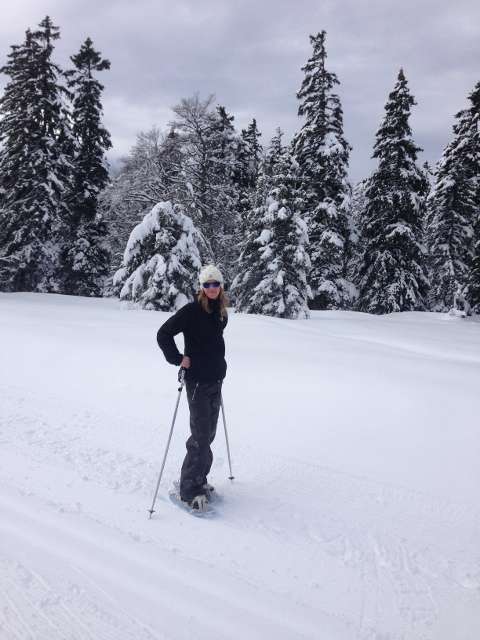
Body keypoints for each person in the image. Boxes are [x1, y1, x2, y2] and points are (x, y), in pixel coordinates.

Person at [156, 265, 228, 511]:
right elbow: (163, 334)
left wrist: (220, 365)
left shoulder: (221, 313)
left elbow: (213, 342)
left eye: (215, 284)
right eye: (207, 285)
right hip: (196, 381)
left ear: (220, 286)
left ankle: (200, 480)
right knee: (200, 436)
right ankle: (188, 489)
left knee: (208, 434)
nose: (211, 288)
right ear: (201, 287)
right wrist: (179, 358)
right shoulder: (191, 311)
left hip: (215, 381)